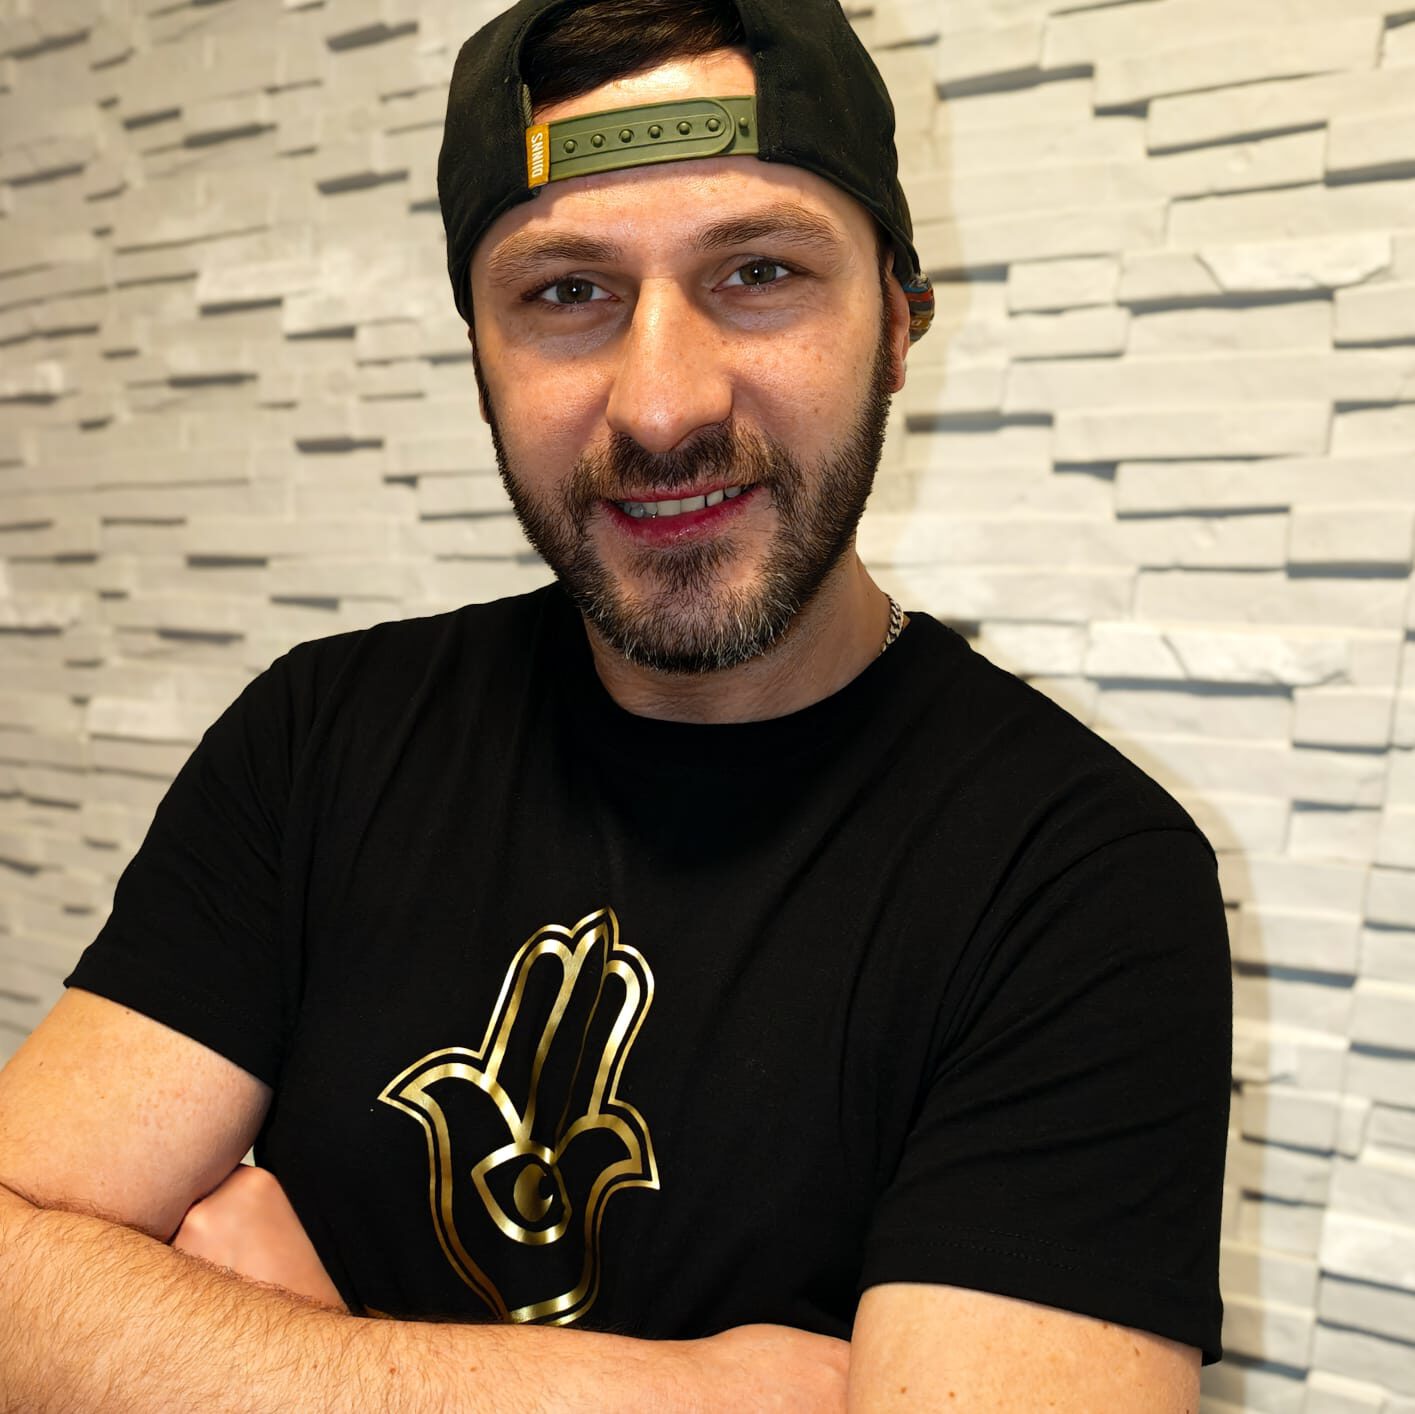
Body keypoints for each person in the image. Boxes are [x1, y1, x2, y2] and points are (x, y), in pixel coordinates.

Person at [0, 0, 1231, 1407]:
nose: (661, 407)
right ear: (480, 357)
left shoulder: (1077, 880)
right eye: (567, 292)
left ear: (899, 320)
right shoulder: (319, 741)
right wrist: (706, 1394)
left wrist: (256, 1343)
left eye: (758, 271)